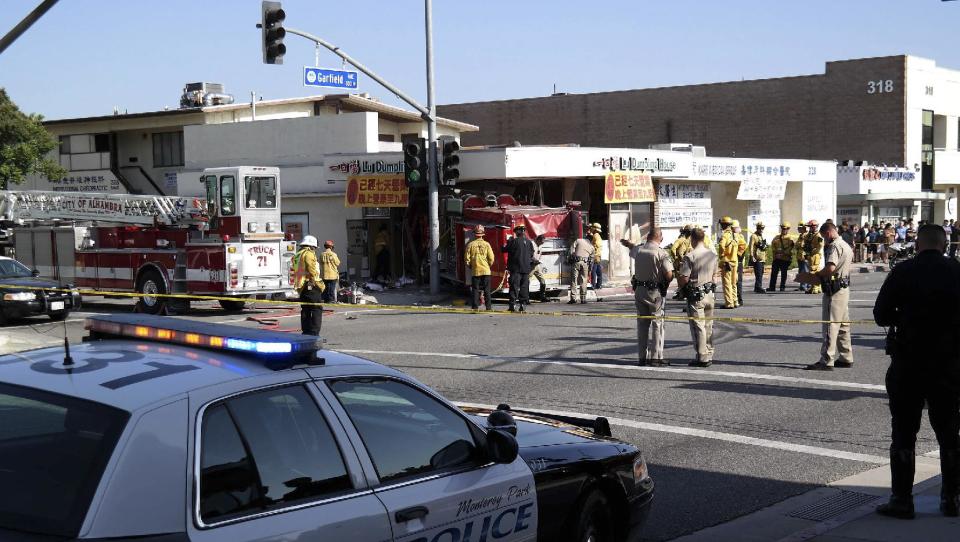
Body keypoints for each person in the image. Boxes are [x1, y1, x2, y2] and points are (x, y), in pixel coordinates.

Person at [873, 224, 960, 519]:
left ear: (918, 245)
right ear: (945, 244)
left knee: (904, 430)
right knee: (949, 432)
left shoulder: (903, 272)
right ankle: (952, 498)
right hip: (949, 364)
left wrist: (907, 316)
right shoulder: (956, 271)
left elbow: (880, 314)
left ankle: (901, 499)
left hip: (909, 362)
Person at [804, 222, 854, 371]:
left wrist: (816, 275)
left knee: (830, 325)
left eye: (824, 237)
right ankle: (846, 357)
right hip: (844, 288)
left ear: (828, 233)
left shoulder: (834, 246)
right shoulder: (846, 245)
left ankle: (826, 359)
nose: (824, 240)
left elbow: (831, 267)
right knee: (843, 325)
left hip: (834, 290)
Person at [621, 228, 674, 367]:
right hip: (655, 292)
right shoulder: (661, 253)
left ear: (648, 237)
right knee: (657, 324)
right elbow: (669, 275)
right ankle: (655, 357)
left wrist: (628, 244)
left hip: (639, 290)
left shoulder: (639, 250)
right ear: (660, 238)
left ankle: (642, 357)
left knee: (642, 324)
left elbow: (633, 248)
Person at [677, 228, 719, 367]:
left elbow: (684, 277)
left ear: (693, 239)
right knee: (708, 325)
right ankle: (709, 352)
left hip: (696, 295)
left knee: (698, 326)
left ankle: (702, 356)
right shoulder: (712, 255)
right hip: (710, 294)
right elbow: (715, 276)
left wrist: (682, 288)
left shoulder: (691, 256)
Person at [293, 235, 324, 336]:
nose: (315, 250)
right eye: (314, 248)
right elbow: (312, 270)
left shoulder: (298, 254)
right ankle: (314, 333)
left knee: (306, 309)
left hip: (301, 285)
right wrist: (318, 284)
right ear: (311, 246)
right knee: (316, 308)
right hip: (310, 283)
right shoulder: (309, 254)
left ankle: (306, 332)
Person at [503, 223, 535, 312]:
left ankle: (512, 305)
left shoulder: (513, 241)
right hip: (526, 269)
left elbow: (504, 250)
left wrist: (507, 242)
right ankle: (523, 304)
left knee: (514, 287)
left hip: (515, 269)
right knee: (524, 287)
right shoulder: (529, 242)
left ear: (518, 231)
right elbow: (532, 254)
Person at [465, 225, 495, 310]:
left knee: (475, 289)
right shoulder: (487, 244)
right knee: (487, 290)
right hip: (486, 270)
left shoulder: (470, 245)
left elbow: (467, 259)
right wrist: (488, 265)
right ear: (483, 234)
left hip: (475, 270)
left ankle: (475, 307)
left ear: (475, 234)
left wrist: (471, 266)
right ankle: (488, 307)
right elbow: (491, 258)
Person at [568, 229, 595, 304]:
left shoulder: (579, 240)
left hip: (576, 262)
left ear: (585, 237)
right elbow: (592, 260)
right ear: (591, 240)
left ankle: (573, 298)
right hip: (585, 263)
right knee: (584, 280)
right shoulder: (592, 247)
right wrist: (590, 269)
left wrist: (572, 255)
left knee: (574, 280)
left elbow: (572, 248)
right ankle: (583, 298)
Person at [718, 216, 739, 308]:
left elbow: (722, 245)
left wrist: (722, 255)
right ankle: (735, 301)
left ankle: (729, 303)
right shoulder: (735, 235)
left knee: (727, 283)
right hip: (735, 261)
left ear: (724, 225)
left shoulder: (725, 235)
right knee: (734, 283)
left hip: (727, 262)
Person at [768, 222, 795, 292]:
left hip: (785, 259)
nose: (784, 230)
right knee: (774, 273)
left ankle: (782, 287)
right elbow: (773, 246)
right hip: (777, 258)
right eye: (783, 228)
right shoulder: (776, 237)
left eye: (785, 229)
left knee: (784, 274)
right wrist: (776, 253)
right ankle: (772, 287)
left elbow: (791, 248)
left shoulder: (790, 238)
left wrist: (784, 253)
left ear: (788, 229)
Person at [671, 225, 693, 300]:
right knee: (685, 279)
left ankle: (682, 294)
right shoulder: (689, 240)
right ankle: (683, 294)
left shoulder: (682, 240)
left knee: (681, 280)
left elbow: (673, 249)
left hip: (682, 262)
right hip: (686, 262)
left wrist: (676, 258)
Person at [805, 220, 824, 295]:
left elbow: (820, 245)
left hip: (815, 255)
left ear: (814, 227)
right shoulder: (810, 234)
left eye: (810, 227)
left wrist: (813, 251)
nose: (809, 228)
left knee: (814, 271)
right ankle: (816, 287)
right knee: (812, 271)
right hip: (811, 255)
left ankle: (815, 287)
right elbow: (806, 241)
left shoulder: (818, 235)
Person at [749, 222, 767, 293]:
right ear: (757, 228)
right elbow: (751, 246)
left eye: (762, 228)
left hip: (762, 257)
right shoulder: (753, 236)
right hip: (757, 258)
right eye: (760, 228)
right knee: (758, 273)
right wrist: (751, 256)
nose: (761, 230)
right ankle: (758, 287)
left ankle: (757, 287)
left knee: (761, 273)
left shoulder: (760, 236)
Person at [732, 220, 747, 305]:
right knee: (734, 281)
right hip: (735, 262)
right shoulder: (733, 236)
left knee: (737, 281)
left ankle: (738, 299)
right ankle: (735, 299)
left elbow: (742, 249)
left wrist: (736, 256)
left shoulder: (739, 237)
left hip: (737, 262)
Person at [532, 235, 547, 301]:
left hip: (537, 265)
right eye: (541, 242)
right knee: (527, 280)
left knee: (542, 280)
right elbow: (529, 254)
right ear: (538, 240)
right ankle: (525, 296)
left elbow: (540, 254)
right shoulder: (532, 244)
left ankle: (542, 296)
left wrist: (539, 260)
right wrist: (534, 260)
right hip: (531, 265)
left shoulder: (540, 246)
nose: (542, 243)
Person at [589, 223, 604, 289]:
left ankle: (593, 285)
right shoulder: (598, 235)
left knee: (593, 271)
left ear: (594, 228)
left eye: (592, 227)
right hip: (598, 256)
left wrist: (592, 248)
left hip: (595, 256)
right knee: (598, 271)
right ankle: (599, 285)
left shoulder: (595, 235)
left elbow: (597, 245)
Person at [795, 223, 809, 292]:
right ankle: (802, 286)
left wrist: (799, 245)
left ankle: (805, 286)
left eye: (800, 228)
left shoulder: (806, 236)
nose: (798, 229)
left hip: (805, 255)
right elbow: (797, 245)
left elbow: (803, 245)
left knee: (805, 271)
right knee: (801, 271)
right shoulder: (800, 236)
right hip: (800, 256)